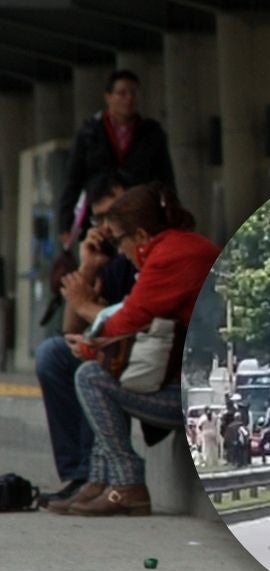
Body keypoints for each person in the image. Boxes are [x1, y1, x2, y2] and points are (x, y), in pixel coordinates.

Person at [49, 183, 219, 516]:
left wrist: (83, 305)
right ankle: (98, 480)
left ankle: (127, 483)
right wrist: (87, 277)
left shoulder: (173, 257)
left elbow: (122, 324)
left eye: (116, 239)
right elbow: (91, 327)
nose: (117, 250)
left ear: (140, 235)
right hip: (185, 379)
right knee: (91, 365)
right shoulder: (173, 248)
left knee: (92, 377)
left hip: (200, 395)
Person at [36, 173, 135, 508]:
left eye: (114, 215)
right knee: (53, 354)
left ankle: (106, 476)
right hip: (114, 350)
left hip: (143, 357)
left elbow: (133, 323)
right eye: (100, 218)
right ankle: (81, 474)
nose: (107, 227)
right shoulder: (107, 258)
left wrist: (87, 306)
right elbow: (70, 330)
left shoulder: (142, 252)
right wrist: (89, 269)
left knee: (91, 366)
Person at [58, 70, 176, 252]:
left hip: (136, 212)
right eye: (122, 93)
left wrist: (170, 213)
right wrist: (66, 223)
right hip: (99, 211)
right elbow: (73, 180)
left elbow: (165, 176)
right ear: (108, 97)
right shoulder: (90, 133)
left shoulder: (151, 133)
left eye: (133, 93)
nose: (128, 99)